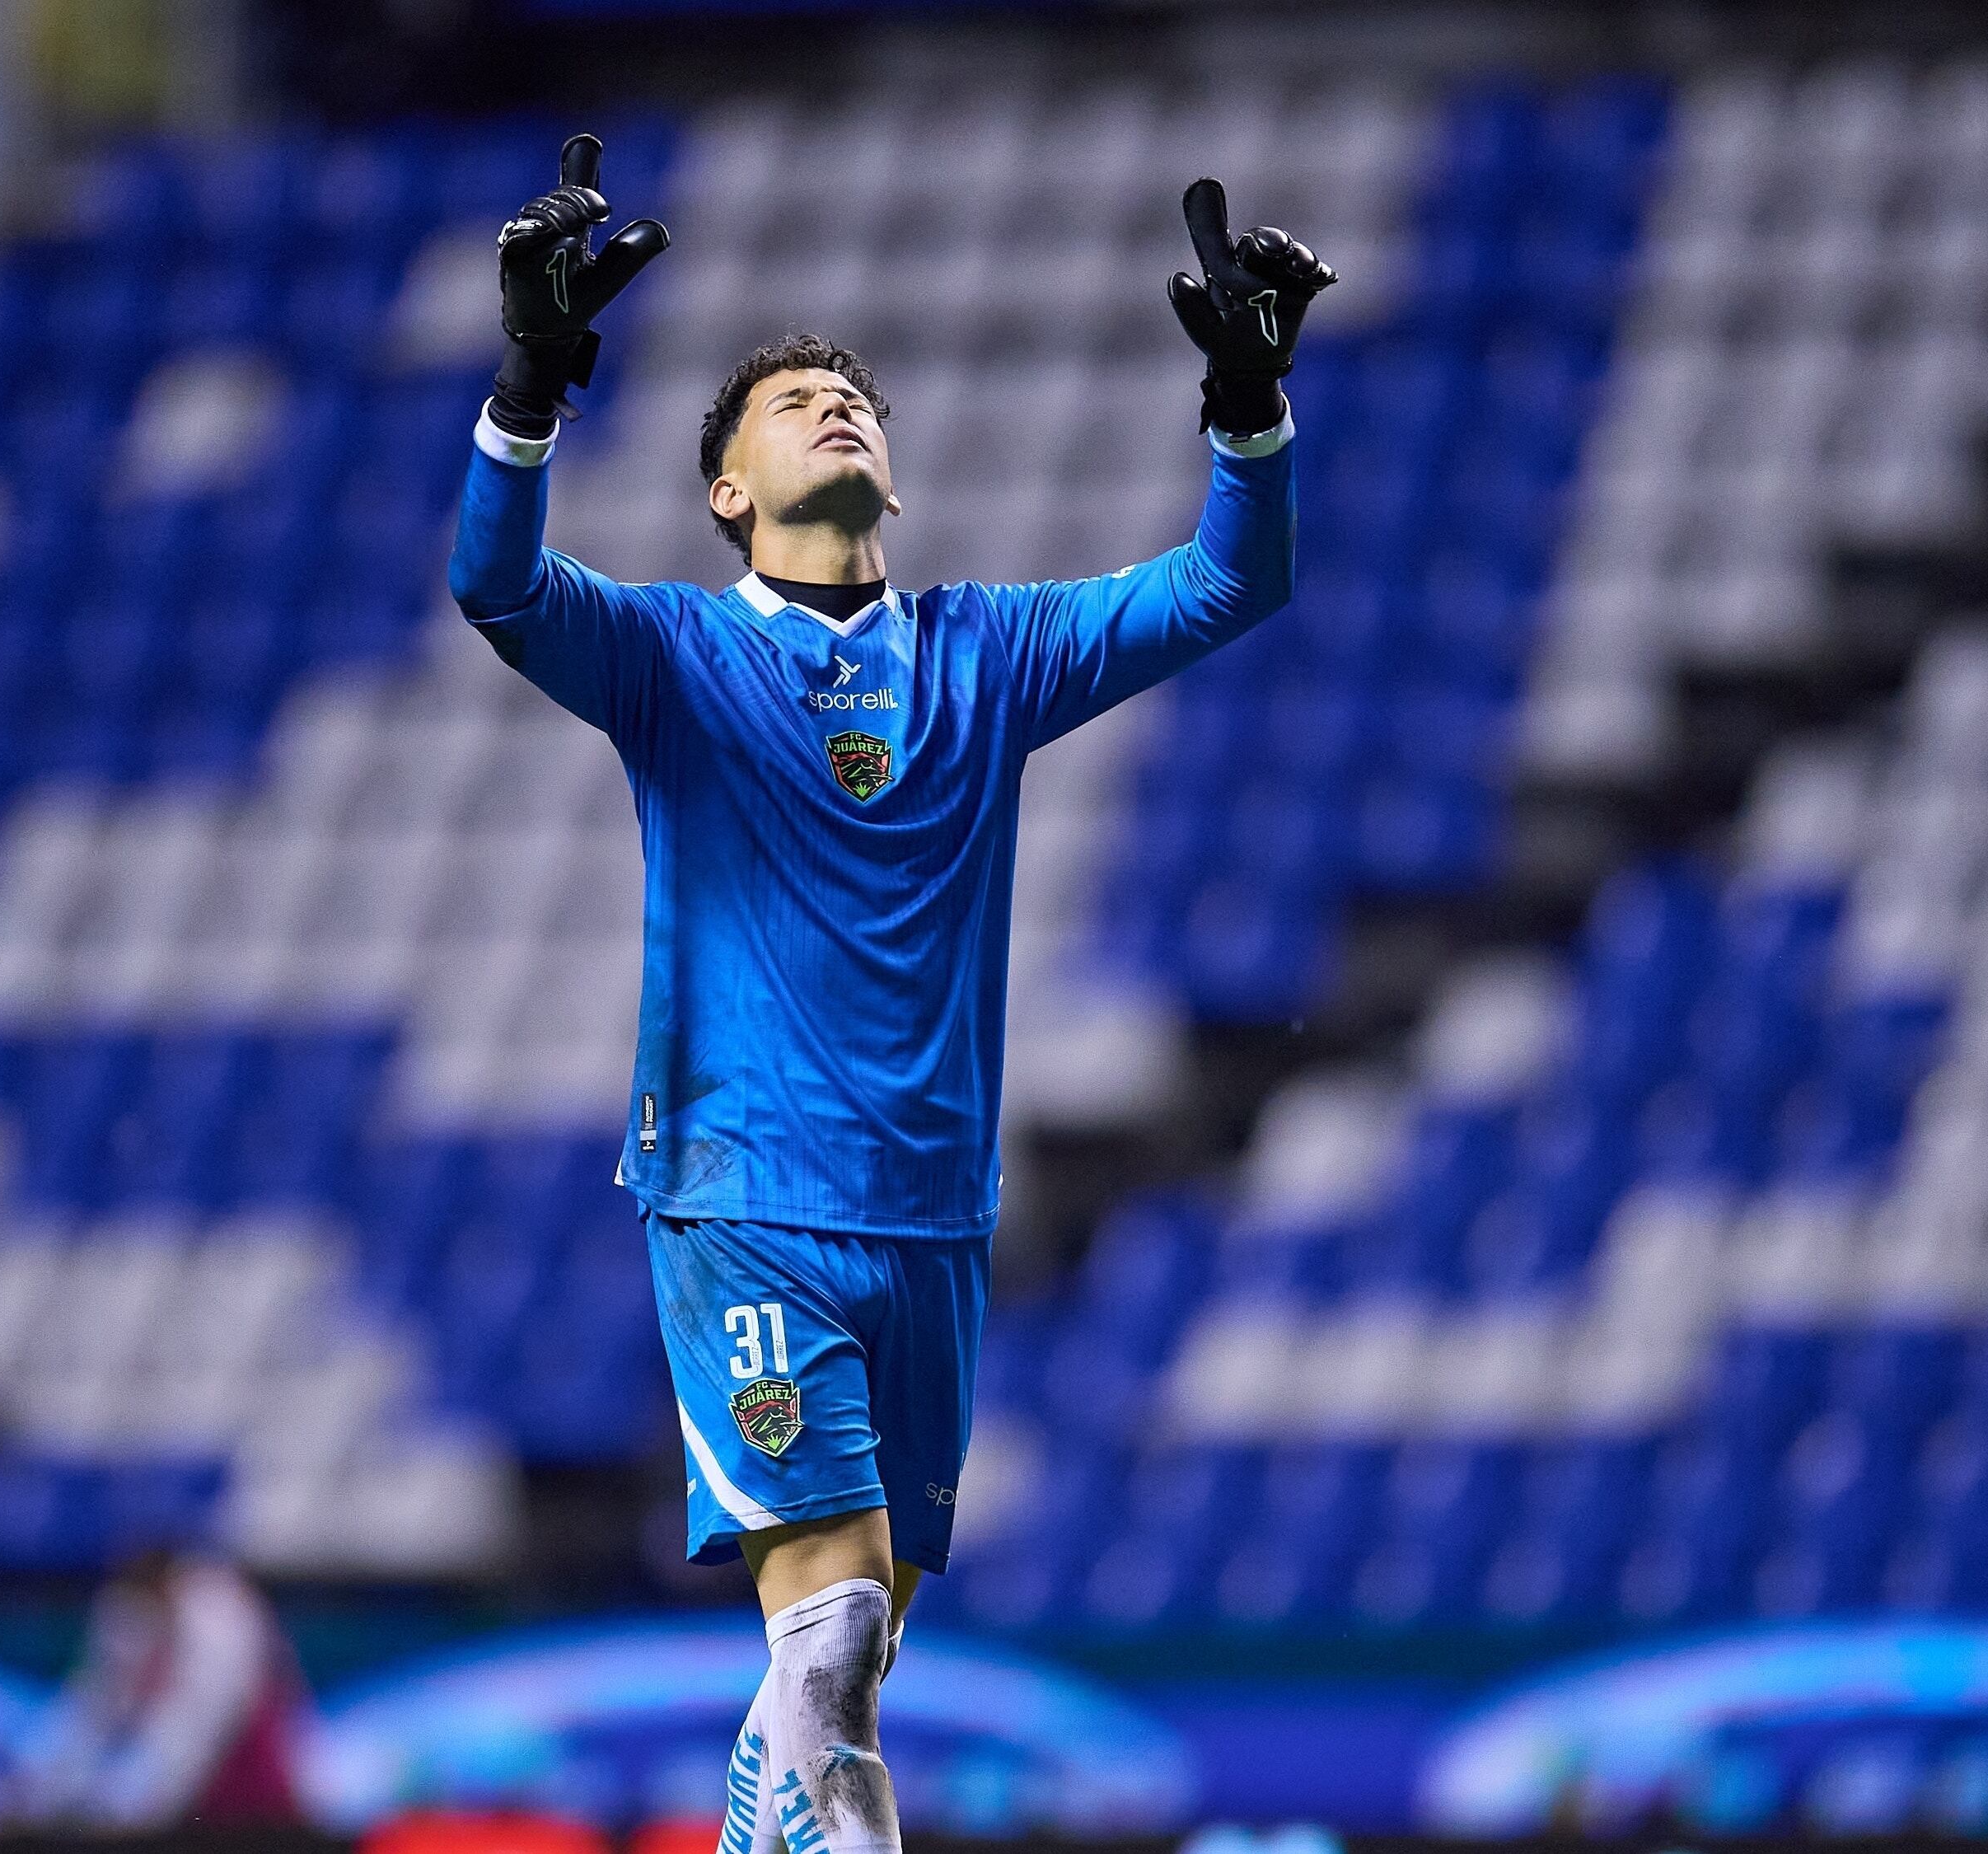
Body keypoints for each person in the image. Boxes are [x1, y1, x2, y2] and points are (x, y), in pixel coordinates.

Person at [446, 134, 1335, 1854]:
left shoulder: (988, 652)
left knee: (839, 1662)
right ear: (723, 493)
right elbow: (495, 586)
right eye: (786, 403)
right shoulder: (674, 659)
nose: (831, 407)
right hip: (744, 1196)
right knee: (835, 1634)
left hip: (929, 1219)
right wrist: (528, 385)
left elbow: (1234, 580)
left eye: (849, 397)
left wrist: (1242, 405)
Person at [17, 1545, 306, 1830]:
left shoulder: (220, 1617)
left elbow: (195, 1732)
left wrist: (122, 1812)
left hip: (251, 1788)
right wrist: (36, 1798)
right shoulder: (124, 1607)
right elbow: (92, 1710)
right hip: (182, 1797)